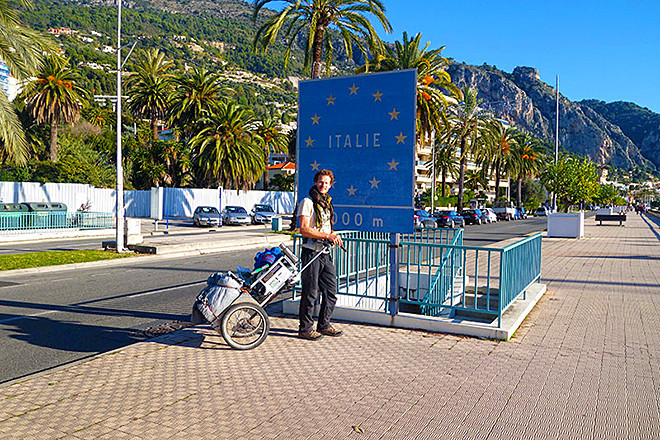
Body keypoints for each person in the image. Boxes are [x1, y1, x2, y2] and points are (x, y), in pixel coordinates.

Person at [297, 169, 344, 340]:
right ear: (315, 182)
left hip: (325, 253)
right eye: (320, 182)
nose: (323, 185)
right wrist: (326, 236)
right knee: (311, 292)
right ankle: (305, 328)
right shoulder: (307, 202)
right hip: (311, 252)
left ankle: (324, 325)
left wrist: (333, 235)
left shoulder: (326, 203)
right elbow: (304, 229)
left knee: (331, 291)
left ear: (331, 185)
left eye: (326, 183)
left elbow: (325, 227)